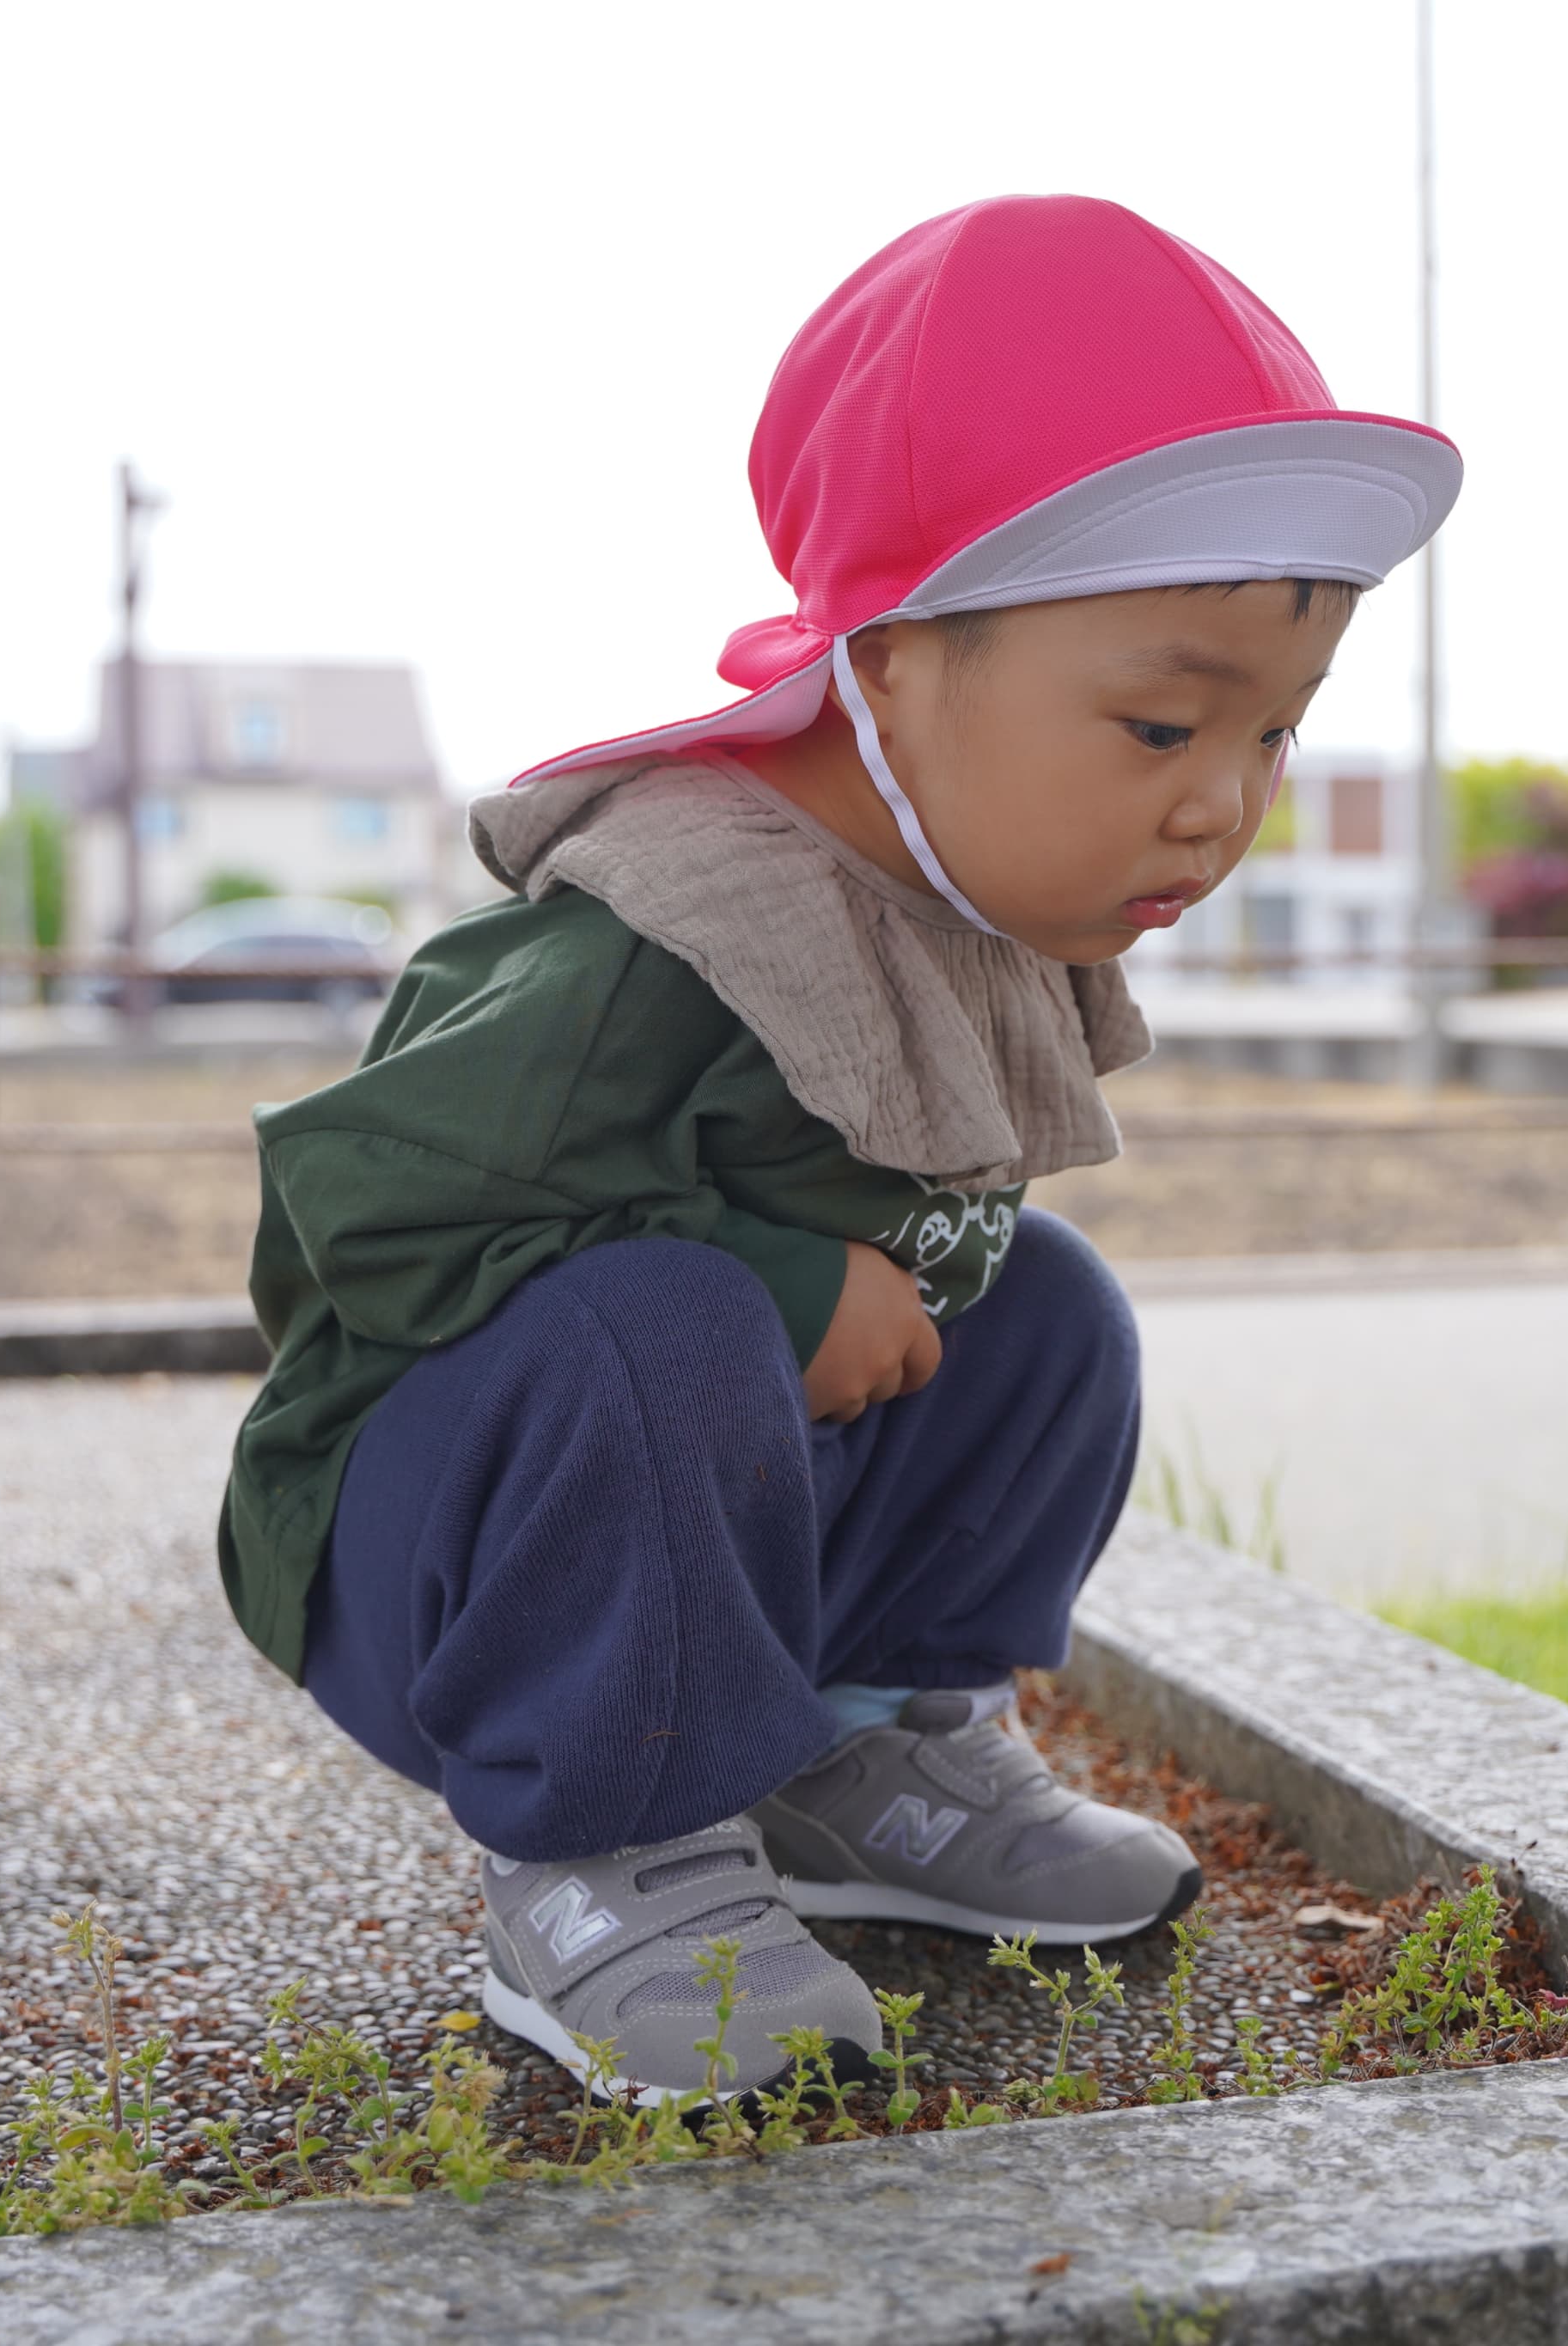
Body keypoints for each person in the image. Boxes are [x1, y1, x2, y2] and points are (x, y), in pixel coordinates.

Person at [218, 194, 1458, 2099]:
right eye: (1158, 726)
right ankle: (600, 1858)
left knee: (1037, 1300)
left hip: (718, 1538)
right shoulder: (661, 932)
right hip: (436, 1573)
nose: (1223, 807)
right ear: (887, 665)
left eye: (1273, 736)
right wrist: (780, 1280)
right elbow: (361, 1205)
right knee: (668, 1323)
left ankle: (857, 1749)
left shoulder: (955, 907)